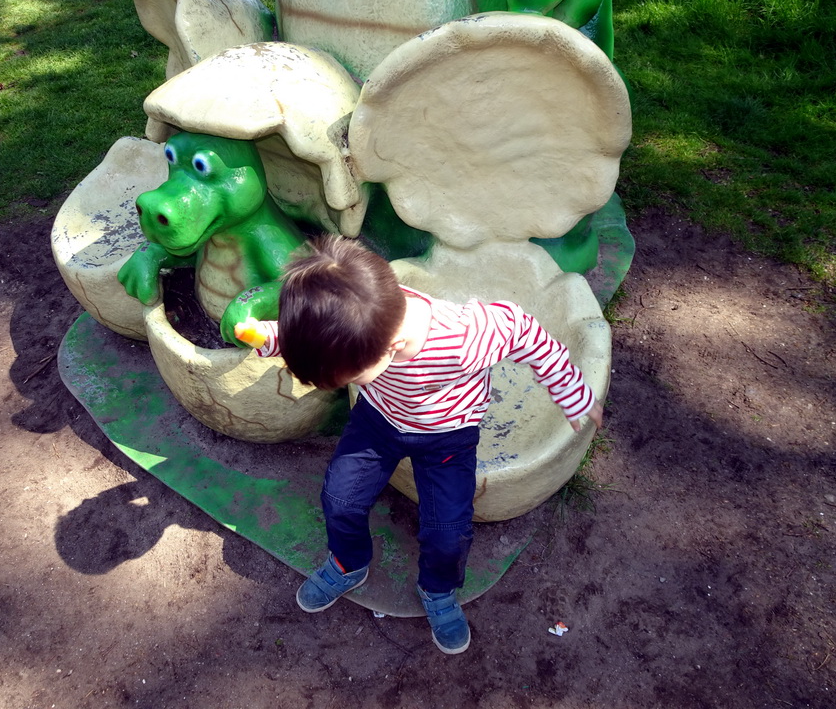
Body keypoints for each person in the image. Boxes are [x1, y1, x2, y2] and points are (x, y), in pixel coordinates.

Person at [234, 235, 603, 655]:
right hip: (378, 421)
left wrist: (571, 389)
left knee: (447, 530)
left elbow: (526, 331)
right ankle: (348, 563)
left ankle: (439, 589)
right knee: (339, 497)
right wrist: (269, 336)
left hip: (448, 436)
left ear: (388, 350)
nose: (350, 382)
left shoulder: (465, 336)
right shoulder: (358, 321)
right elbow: (316, 333)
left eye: (353, 377)